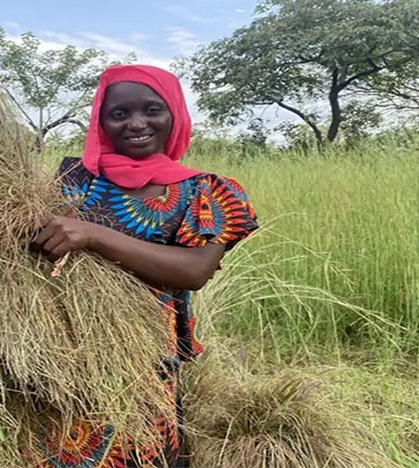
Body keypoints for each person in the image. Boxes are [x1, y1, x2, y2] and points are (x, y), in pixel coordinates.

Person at [30, 64, 258, 467]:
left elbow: (194, 271)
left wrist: (94, 235)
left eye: (152, 110)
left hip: (145, 360)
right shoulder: (74, 179)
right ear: (101, 120)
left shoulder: (206, 190)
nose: (136, 124)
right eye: (118, 114)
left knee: (140, 452)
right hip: (63, 352)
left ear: (174, 114)